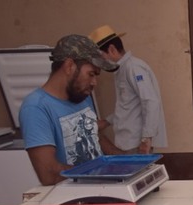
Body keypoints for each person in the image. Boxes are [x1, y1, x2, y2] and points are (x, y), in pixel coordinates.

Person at [19, 34, 123, 186]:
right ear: (69, 66)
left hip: (101, 186)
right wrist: (100, 173)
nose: (94, 82)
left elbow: (93, 134)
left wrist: (124, 159)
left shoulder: (81, 95)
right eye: (91, 74)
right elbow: (49, 175)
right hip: (73, 200)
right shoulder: (36, 107)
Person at [89, 25, 168, 154]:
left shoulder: (133, 68)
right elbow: (129, 106)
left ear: (112, 49)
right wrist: (107, 121)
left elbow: (151, 102)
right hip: (127, 142)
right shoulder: (123, 69)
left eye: (102, 56)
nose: (102, 62)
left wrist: (146, 139)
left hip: (136, 143)